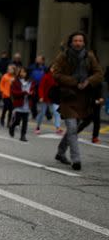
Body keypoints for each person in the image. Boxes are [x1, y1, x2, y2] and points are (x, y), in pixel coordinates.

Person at [52, 32, 103, 170]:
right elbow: (55, 73)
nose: (78, 43)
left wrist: (87, 82)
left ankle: (60, 152)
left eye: (80, 40)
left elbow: (99, 73)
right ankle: (76, 160)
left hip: (84, 97)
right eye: (75, 40)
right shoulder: (63, 56)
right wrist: (75, 82)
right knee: (73, 128)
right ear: (71, 42)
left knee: (74, 128)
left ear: (84, 42)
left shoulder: (89, 56)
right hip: (68, 96)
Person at [8, 67, 35, 142]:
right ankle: (12, 127)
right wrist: (24, 93)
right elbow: (14, 92)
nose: (22, 73)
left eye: (24, 72)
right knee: (17, 121)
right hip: (18, 104)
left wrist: (31, 94)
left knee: (25, 122)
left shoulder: (31, 82)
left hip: (27, 105)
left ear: (27, 73)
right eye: (21, 72)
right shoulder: (15, 81)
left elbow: (33, 91)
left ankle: (23, 136)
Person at [35, 67, 61, 135]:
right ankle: (37, 127)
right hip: (45, 98)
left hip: (54, 98)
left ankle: (58, 128)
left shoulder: (58, 77)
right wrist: (41, 96)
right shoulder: (46, 76)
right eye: (53, 67)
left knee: (57, 112)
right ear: (50, 68)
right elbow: (41, 87)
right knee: (42, 113)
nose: (54, 69)